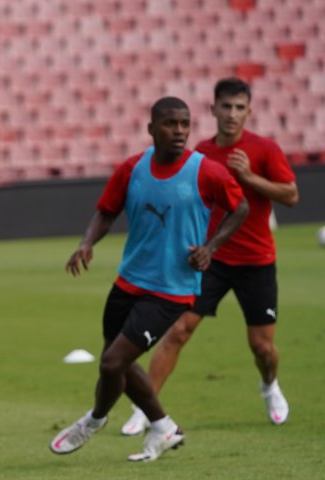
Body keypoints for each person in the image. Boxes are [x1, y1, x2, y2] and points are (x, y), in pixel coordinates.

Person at [51, 96, 248, 462]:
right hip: (128, 281)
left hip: (172, 289)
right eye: (171, 124)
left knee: (112, 363)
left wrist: (212, 246)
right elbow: (106, 211)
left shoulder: (206, 171)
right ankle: (163, 426)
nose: (179, 131)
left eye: (185, 124)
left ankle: (93, 421)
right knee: (117, 359)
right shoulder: (133, 169)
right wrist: (87, 242)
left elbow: (241, 208)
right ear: (151, 129)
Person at [120, 78, 298, 435]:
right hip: (210, 260)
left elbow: (290, 195)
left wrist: (249, 176)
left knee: (262, 346)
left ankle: (269, 386)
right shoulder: (199, 153)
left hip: (256, 261)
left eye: (239, 107)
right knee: (178, 331)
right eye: (226, 106)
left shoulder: (264, 150)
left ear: (249, 111)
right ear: (213, 108)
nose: (232, 114)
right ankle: (147, 408)